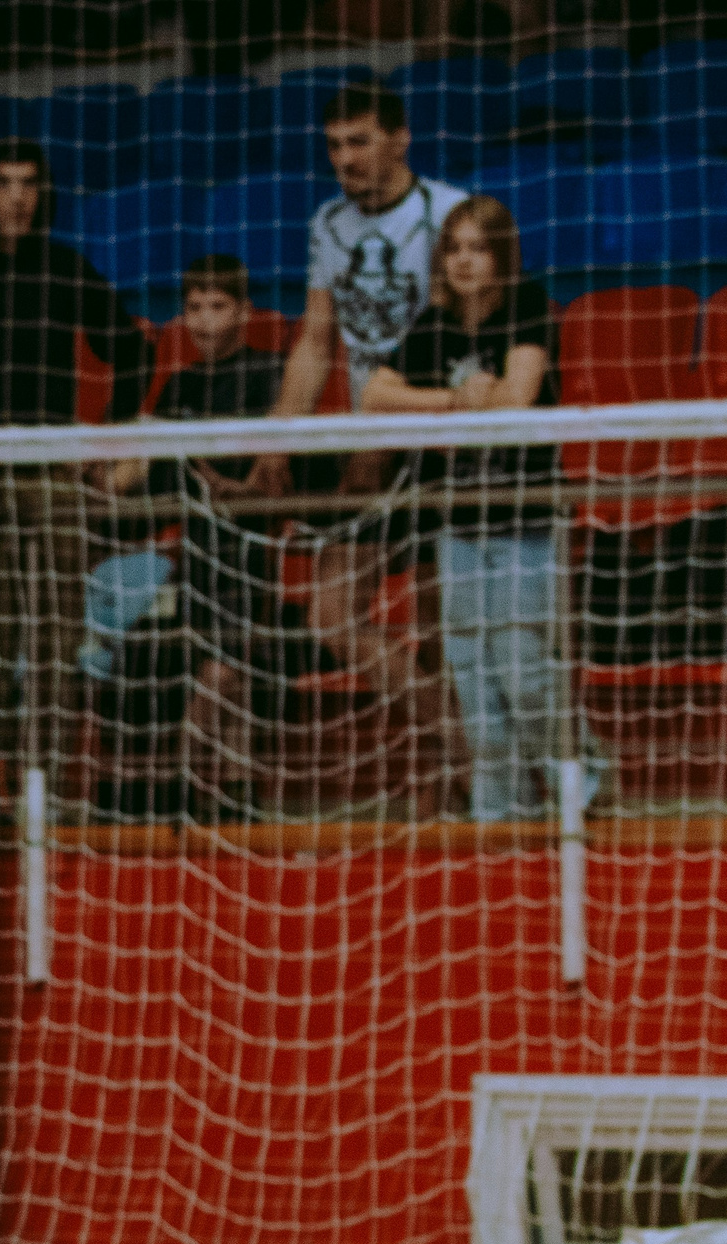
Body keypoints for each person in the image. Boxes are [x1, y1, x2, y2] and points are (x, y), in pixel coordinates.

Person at [0, 139, 153, 822]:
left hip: (49, 477)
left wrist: (103, 438)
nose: (17, 196)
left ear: (44, 193)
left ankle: (50, 797)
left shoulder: (63, 268)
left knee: (56, 644)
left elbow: (133, 350)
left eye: (29, 182)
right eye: (5, 182)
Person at [365, 195, 604, 823]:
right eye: (454, 248)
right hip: (459, 525)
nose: (464, 260)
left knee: (523, 671)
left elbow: (517, 399)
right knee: (472, 678)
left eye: (478, 248)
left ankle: (580, 778)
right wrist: (454, 399)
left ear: (502, 256)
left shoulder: (528, 308)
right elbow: (375, 394)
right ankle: (501, 809)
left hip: (526, 519)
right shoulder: (433, 325)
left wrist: (465, 400)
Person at [252, 83, 468, 770]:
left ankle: (464, 782)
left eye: (360, 141)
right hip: (367, 441)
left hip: (440, 440)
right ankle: (472, 751)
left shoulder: (447, 212)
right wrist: (278, 439)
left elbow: (448, 333)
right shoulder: (329, 223)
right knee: (333, 617)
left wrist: (387, 428)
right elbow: (317, 340)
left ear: (400, 140)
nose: (345, 158)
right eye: (335, 145)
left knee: (440, 629)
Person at [96, 254, 304, 823]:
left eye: (218, 306)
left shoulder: (270, 374)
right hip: (196, 558)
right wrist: (102, 475)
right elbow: (149, 473)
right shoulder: (180, 386)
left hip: (249, 555)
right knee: (222, 682)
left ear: (244, 311)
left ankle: (174, 786)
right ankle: (235, 795)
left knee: (224, 674)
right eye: (194, 308)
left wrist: (231, 485)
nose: (205, 320)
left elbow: (274, 477)